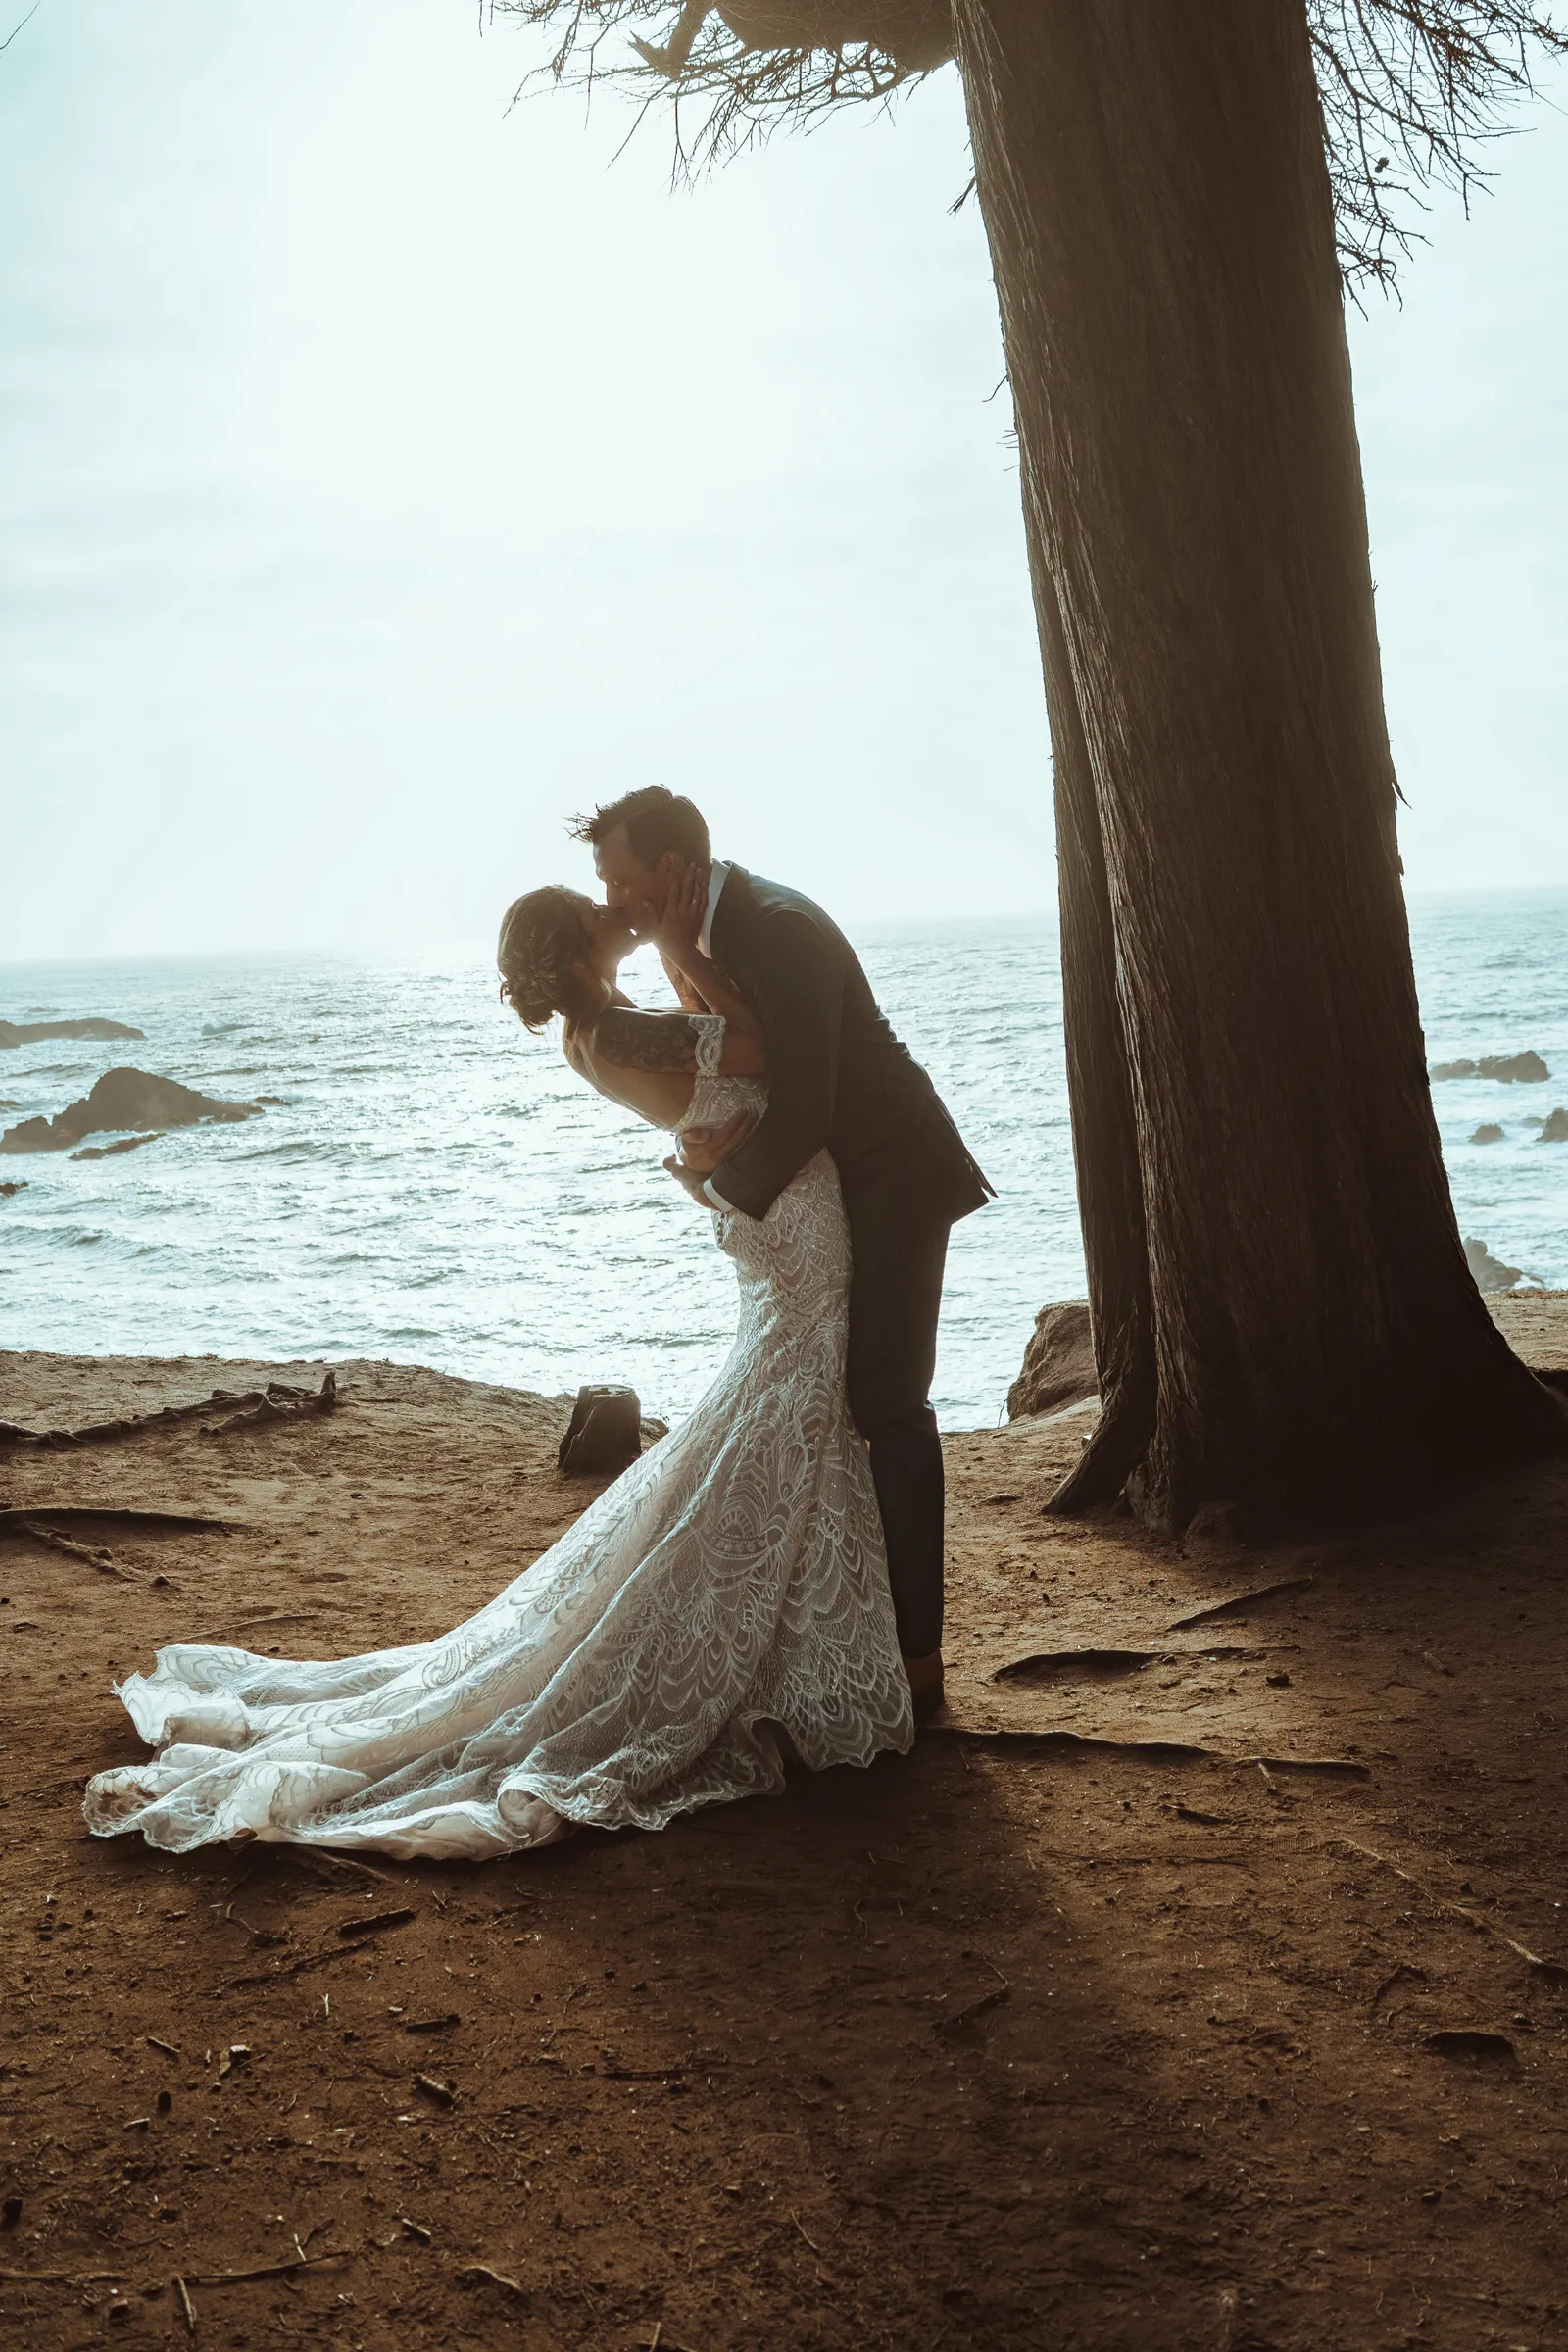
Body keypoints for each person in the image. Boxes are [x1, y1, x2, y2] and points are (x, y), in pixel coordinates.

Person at [81, 869, 914, 1862]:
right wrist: (689, 953)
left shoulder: (598, 1032)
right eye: (596, 916)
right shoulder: (617, 1031)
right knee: (777, 1413)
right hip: (786, 1225)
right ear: (570, 958)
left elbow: (716, 1072)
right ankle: (781, 1659)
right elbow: (763, 1050)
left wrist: (698, 1146)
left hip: (763, 1215)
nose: (616, 917)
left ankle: (794, 1652)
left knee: (773, 1419)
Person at [577, 787, 992, 1717]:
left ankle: (919, 1670)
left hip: (895, 1177)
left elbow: (804, 1101)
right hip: (844, 1189)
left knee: (889, 1409)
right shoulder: (715, 932)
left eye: (618, 877)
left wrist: (717, 1193)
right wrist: (681, 958)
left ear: (672, 869)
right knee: (848, 1409)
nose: (612, 899)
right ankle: (852, 1643)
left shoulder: (776, 925)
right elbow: (737, 1060)